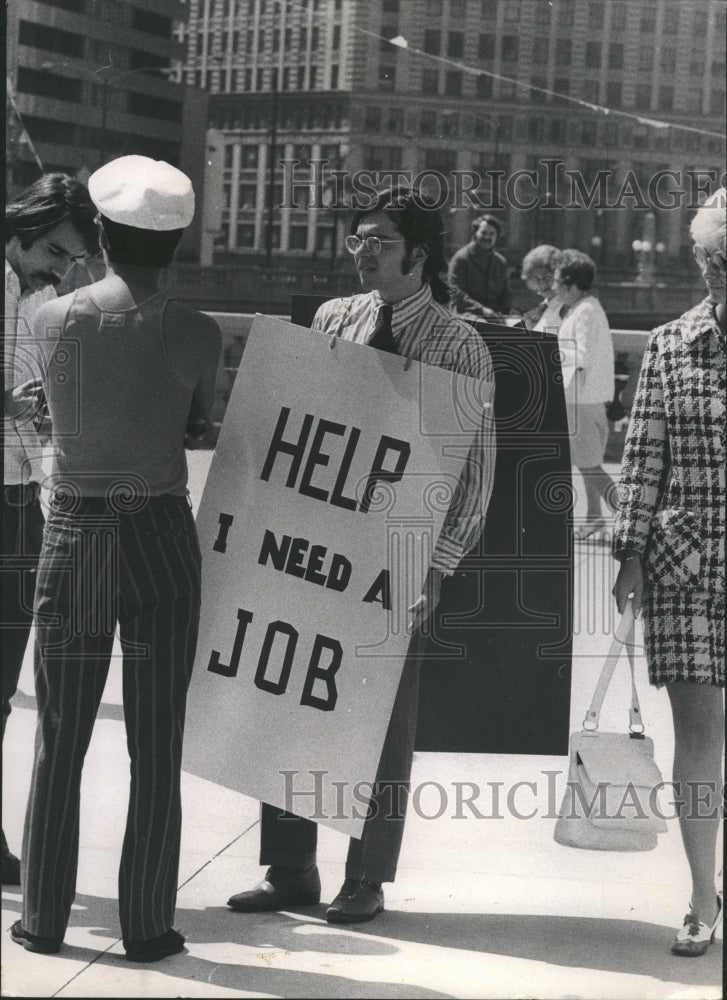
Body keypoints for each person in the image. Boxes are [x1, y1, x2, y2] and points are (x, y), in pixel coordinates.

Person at [227, 186, 496, 925]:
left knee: (380, 721)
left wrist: (437, 566)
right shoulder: (331, 319)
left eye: (377, 240)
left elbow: (475, 473)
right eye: (356, 239)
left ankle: (367, 877)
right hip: (311, 548)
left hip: (395, 559)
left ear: (419, 253)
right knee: (290, 694)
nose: (361, 251)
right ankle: (290, 869)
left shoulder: (457, 344)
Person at [8, 155, 222, 962]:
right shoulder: (200, 333)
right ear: (179, 243)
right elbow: (198, 425)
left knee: (60, 731)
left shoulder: (50, 319)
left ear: (98, 231)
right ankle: (146, 924)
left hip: (80, 531)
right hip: (162, 533)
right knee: (157, 737)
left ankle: (45, 918)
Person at [613, 187, 725, 958]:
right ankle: (699, 893)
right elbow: (642, 455)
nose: (718, 274)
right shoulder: (669, 344)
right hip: (686, 564)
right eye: (712, 259)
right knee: (697, 734)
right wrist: (627, 554)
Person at [3, 174, 98, 885]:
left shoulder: (43, 303)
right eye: (58, 253)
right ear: (28, 226)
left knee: (4, 680)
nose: (63, 269)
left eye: (73, 260)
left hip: (17, 497)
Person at [552, 249, 616, 536]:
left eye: (556, 281)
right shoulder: (583, 308)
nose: (553, 287)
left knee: (589, 466)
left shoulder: (586, 311)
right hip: (581, 399)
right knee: (586, 461)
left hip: (580, 400)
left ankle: (633, 521)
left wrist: (551, 358)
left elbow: (582, 356)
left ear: (571, 284)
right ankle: (594, 517)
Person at [448, 214, 512, 319]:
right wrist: (481, 309)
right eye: (483, 232)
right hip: (465, 314)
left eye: (492, 233)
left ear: (497, 237)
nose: (487, 237)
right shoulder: (461, 258)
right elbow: (455, 292)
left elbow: (505, 294)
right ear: (475, 234)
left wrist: (508, 311)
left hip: (494, 314)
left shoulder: (500, 262)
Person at [520, 244, 563, 333]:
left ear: (559, 276)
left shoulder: (565, 308)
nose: (542, 283)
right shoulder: (543, 306)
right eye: (536, 278)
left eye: (546, 277)